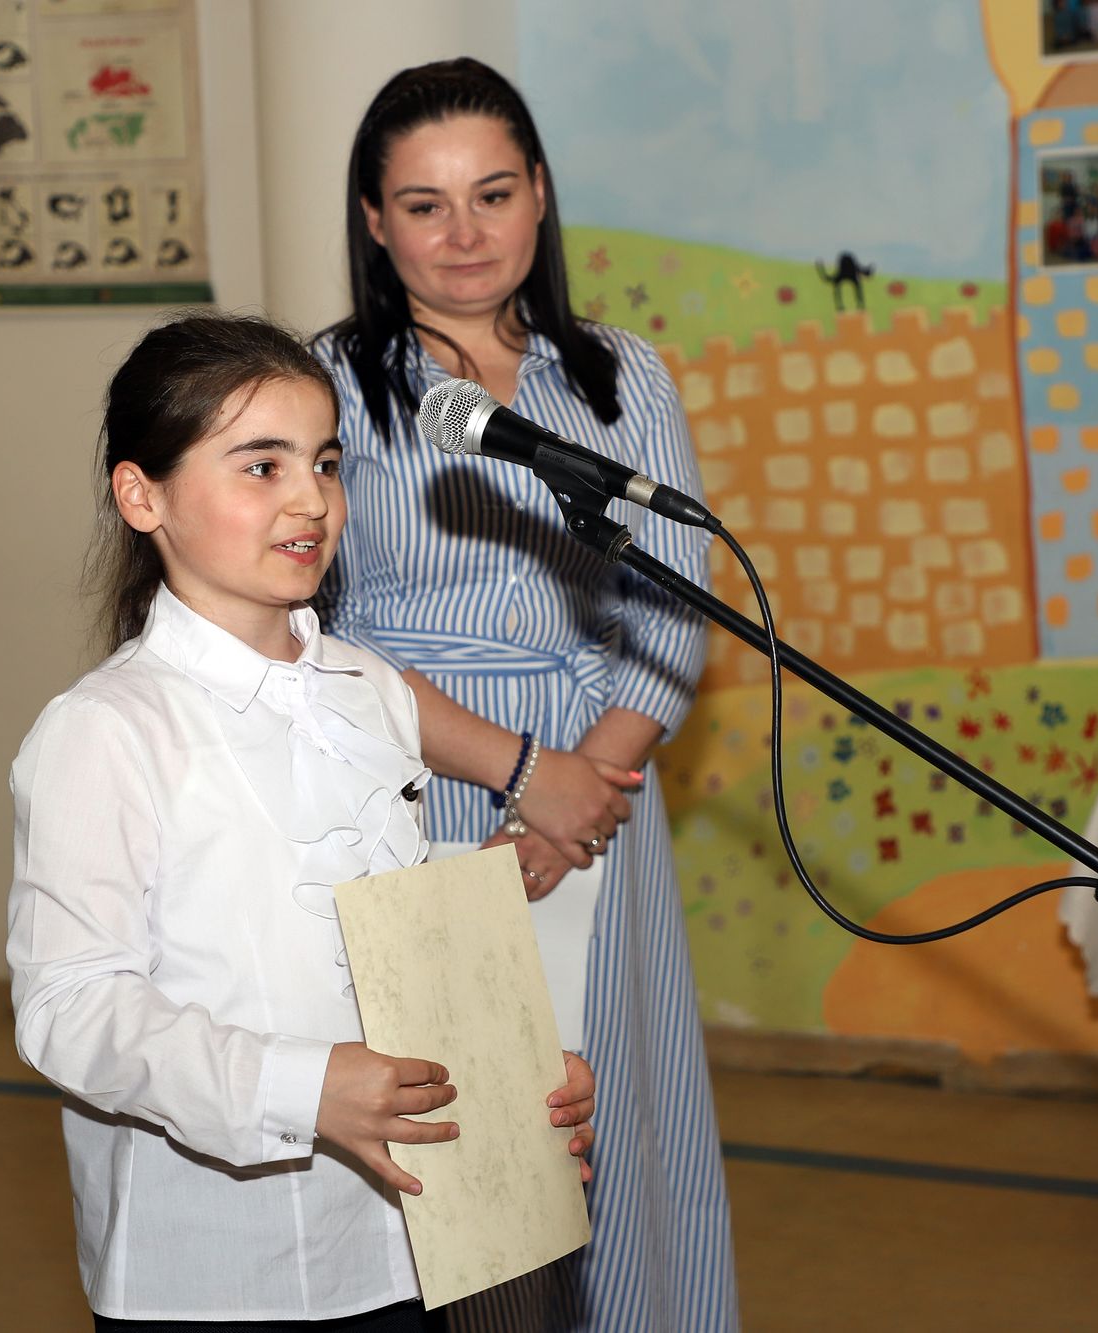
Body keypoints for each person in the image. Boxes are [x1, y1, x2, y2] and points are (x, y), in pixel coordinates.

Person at [7, 313, 596, 1330]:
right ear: (143, 496)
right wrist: (301, 1087)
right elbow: (70, 1006)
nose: (311, 500)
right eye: (261, 465)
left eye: (325, 463)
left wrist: (513, 1072)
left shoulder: (372, 691)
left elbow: (402, 951)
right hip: (217, 1272)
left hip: (410, 1241)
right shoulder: (105, 729)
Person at [312, 59, 739, 1332]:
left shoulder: (619, 376)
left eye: (491, 194)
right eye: (424, 205)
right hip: (415, 785)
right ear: (374, 221)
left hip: (601, 796)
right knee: (468, 1163)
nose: (464, 234)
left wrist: (582, 786)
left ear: (540, 194)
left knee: (614, 1118)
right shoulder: (327, 386)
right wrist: (523, 776)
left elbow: (675, 604)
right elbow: (315, 635)